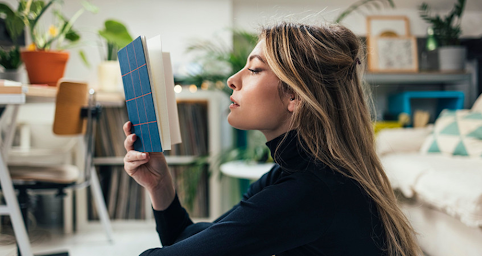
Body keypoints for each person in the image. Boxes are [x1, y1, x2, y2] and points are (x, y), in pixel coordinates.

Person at [123, 22, 422, 256]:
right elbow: (195, 242)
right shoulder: (295, 174)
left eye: (254, 69)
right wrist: (160, 185)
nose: (233, 80)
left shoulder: (309, 192)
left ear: (294, 95)